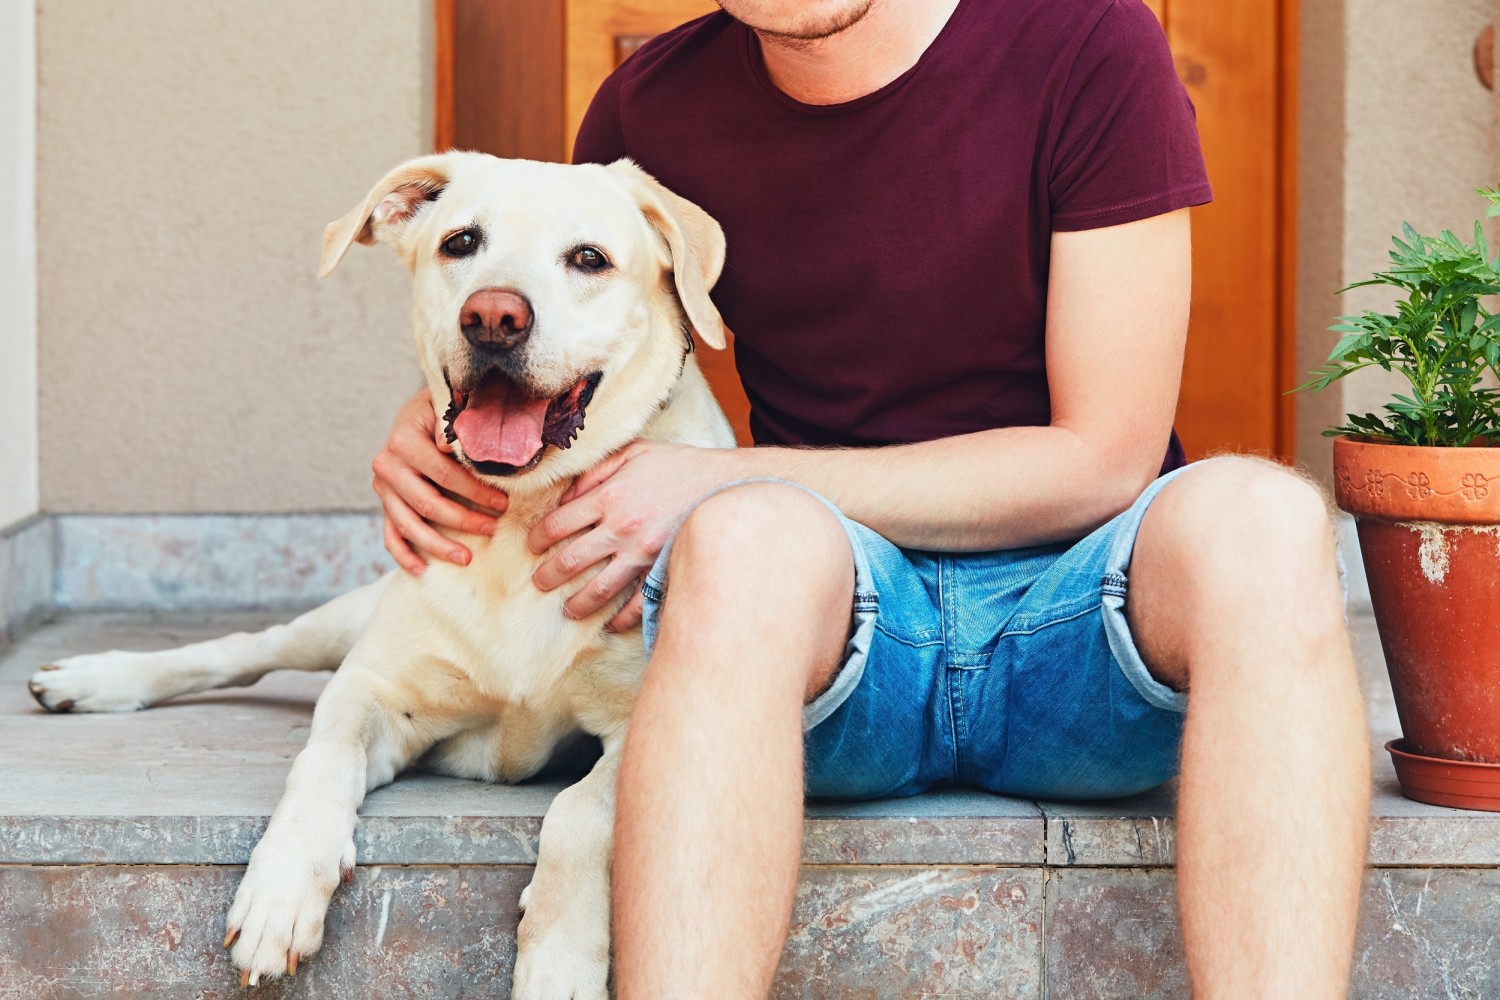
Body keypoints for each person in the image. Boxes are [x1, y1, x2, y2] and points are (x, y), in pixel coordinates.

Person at [372, 0, 1371, 996]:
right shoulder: (650, 107)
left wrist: (721, 478)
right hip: (826, 645)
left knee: (1265, 519)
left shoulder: (1087, 39)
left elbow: (1107, 458)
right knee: (743, 541)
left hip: (1082, 640)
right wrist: (449, 418)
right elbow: (581, 338)